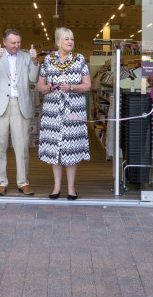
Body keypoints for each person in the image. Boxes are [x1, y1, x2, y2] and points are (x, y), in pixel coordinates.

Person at [36, 27, 91, 201]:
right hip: (53, 113)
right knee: (56, 151)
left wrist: (72, 87)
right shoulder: (47, 61)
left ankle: (72, 189)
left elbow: (87, 85)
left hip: (73, 111)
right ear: (58, 41)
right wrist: (48, 88)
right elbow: (40, 85)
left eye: (72, 39)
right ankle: (57, 187)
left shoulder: (80, 59)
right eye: (66, 38)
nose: (70, 42)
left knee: (71, 149)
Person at [0, 29, 40, 196]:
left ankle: (23, 182)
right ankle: (1, 183)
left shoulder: (26, 57)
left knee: (22, 146)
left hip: (20, 104)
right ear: (5, 42)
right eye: (13, 43)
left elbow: (33, 79)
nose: (17, 46)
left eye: (19, 42)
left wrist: (35, 61)